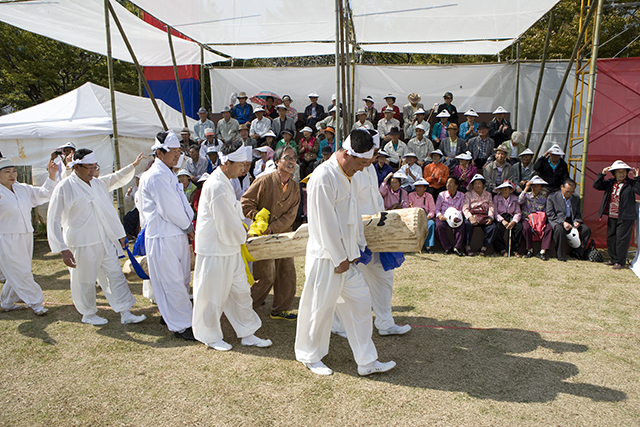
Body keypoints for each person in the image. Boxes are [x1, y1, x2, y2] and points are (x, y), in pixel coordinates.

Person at [295, 129, 396, 376]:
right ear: (347, 154)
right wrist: (339, 257)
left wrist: (357, 248)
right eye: (361, 163)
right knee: (320, 309)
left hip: (347, 259)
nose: (363, 169)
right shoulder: (323, 176)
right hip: (327, 259)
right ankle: (309, 355)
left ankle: (367, 361)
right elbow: (322, 223)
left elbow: (353, 218)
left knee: (361, 303)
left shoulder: (348, 173)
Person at [47, 149, 147, 325]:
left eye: (95, 167)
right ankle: (88, 313)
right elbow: (53, 219)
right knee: (84, 279)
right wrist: (62, 249)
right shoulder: (64, 187)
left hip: (104, 240)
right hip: (80, 243)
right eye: (89, 168)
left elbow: (109, 211)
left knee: (115, 274)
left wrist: (119, 234)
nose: (93, 171)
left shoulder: (98, 184)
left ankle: (125, 311)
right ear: (76, 167)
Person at [192, 140, 272, 351]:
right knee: (213, 296)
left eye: (246, 164)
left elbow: (234, 214)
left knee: (241, 292)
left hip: (231, 248)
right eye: (240, 164)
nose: (244, 168)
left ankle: (247, 332)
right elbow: (226, 223)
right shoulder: (217, 185)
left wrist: (246, 227)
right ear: (226, 162)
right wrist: (243, 234)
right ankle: (210, 335)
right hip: (216, 250)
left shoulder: (226, 180)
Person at [333, 132, 412, 338]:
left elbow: (374, 197)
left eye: (376, 153)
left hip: (376, 231)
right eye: (371, 153)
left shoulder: (368, 168)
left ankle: (385, 322)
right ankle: (337, 323)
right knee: (348, 280)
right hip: (356, 234)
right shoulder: (345, 169)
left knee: (384, 277)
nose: (373, 158)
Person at [138, 131, 196, 340]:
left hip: (176, 233)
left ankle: (170, 314)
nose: (177, 155)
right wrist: (189, 228)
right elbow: (169, 209)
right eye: (174, 151)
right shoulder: (155, 176)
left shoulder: (169, 173)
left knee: (181, 279)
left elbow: (181, 204)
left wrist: (188, 224)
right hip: (163, 236)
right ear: (160, 152)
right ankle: (182, 325)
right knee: (171, 280)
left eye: (179, 151)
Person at [242, 146, 301, 320]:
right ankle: (245, 309)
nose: (291, 161)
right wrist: (257, 217)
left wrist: (273, 227)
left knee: (287, 272)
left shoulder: (295, 187)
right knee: (266, 276)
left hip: (284, 235)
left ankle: (280, 310)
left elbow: (291, 215)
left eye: (293, 158)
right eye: (286, 158)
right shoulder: (264, 181)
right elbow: (245, 203)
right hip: (262, 236)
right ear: (276, 162)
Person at [0, 157, 57, 315]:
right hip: (5, 237)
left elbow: (44, 194)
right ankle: (36, 303)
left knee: (20, 270)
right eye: (7, 172)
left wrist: (51, 175)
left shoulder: (22, 188)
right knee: (21, 272)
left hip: (25, 235)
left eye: (14, 171)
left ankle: (6, 302)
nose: (12, 175)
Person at [593, 160, 640, 269]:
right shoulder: (610, 182)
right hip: (612, 215)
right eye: (619, 172)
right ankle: (613, 258)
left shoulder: (631, 184)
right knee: (611, 238)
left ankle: (620, 261)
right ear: (614, 173)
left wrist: (637, 178)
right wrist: (602, 174)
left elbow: (639, 190)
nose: (621, 174)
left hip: (626, 216)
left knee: (622, 239)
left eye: (623, 172)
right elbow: (596, 185)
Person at [546, 178, 591, 262]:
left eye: (572, 192)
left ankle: (577, 252)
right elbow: (550, 214)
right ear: (562, 187)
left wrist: (577, 221)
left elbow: (577, 213)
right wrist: (562, 222)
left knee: (586, 229)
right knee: (559, 230)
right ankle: (560, 254)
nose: (569, 194)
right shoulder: (552, 197)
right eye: (567, 191)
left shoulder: (576, 198)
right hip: (558, 221)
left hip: (571, 221)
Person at [519, 176, 553, 260]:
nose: (535, 187)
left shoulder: (543, 199)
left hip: (540, 220)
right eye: (534, 185)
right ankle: (529, 249)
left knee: (548, 228)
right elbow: (519, 201)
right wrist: (526, 188)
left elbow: (545, 211)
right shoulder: (526, 195)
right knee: (526, 228)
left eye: (538, 185)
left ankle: (543, 251)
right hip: (527, 219)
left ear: (541, 187)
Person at [463, 174, 496, 256]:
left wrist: (490, 217)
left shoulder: (488, 194)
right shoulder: (468, 194)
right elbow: (465, 208)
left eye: (479, 183)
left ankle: (484, 248)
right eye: (475, 184)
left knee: (493, 227)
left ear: (483, 185)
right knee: (467, 225)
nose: (477, 185)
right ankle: (467, 247)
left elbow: (491, 206)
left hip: (484, 216)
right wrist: (470, 218)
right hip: (473, 216)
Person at [435, 176, 466, 255]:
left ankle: (457, 248)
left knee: (461, 225)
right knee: (439, 226)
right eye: (447, 183)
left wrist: (457, 216)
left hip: (455, 216)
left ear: (456, 186)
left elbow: (462, 209)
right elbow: (437, 209)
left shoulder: (462, 195)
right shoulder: (441, 195)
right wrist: (440, 215)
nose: (448, 185)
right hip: (444, 216)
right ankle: (446, 247)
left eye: (450, 183)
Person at [492, 181, 523, 257]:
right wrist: (502, 220)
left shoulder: (515, 198)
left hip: (511, 216)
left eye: (506, 189)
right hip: (500, 217)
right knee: (496, 228)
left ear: (510, 190)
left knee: (519, 227)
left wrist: (513, 221)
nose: (504, 191)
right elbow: (495, 212)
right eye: (503, 189)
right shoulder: (496, 198)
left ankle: (514, 250)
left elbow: (518, 212)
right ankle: (501, 249)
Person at [408, 178, 436, 253]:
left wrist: (428, 217)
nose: (418, 188)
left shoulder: (429, 196)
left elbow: (432, 210)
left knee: (431, 224)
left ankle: (428, 246)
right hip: (414, 216)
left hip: (426, 216)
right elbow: (408, 208)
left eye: (420, 186)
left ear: (425, 188)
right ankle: (414, 246)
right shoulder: (411, 195)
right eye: (417, 186)